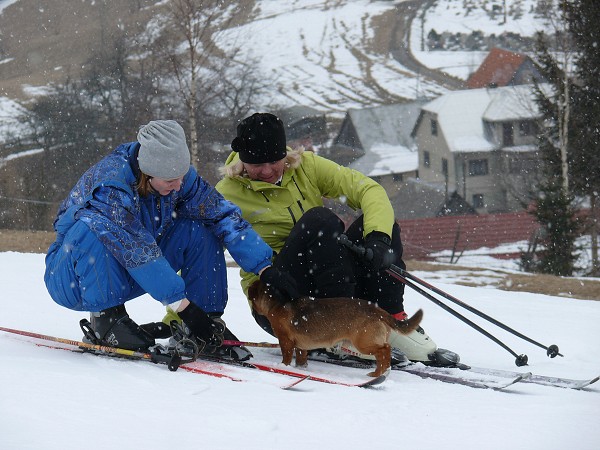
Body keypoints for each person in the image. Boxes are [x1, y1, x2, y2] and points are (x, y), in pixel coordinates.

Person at [212, 112, 458, 366]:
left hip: (329, 282)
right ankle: (339, 334)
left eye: (275, 161)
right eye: (256, 165)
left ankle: (389, 318)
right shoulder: (225, 194)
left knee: (374, 225)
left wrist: (378, 240)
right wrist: (185, 316)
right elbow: (202, 254)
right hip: (281, 299)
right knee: (320, 221)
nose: (267, 171)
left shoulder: (305, 167)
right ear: (242, 161)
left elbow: (368, 189)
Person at [44, 119, 296, 361]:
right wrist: (184, 309)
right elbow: (137, 249)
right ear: (147, 172)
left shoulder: (179, 180)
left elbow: (221, 214)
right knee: (93, 227)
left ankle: (205, 318)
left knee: (201, 227)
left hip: (130, 273)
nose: (178, 186)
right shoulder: (110, 186)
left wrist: (265, 268)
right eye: (170, 181)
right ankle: (106, 320)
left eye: (181, 178)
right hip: (74, 279)